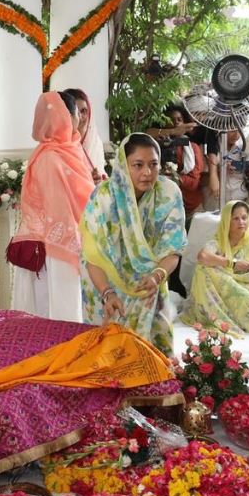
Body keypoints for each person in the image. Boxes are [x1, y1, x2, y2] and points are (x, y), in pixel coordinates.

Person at [78, 133, 186, 350]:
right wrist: (107, 292)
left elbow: (174, 248)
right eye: (138, 165)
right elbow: (93, 253)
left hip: (150, 281)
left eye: (153, 164)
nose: (147, 172)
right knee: (107, 352)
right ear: (123, 165)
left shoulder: (168, 193)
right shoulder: (104, 196)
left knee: (155, 350)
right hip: (105, 283)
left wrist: (157, 276)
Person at [8, 92, 96, 321]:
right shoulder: (50, 158)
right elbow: (59, 210)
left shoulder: (68, 150)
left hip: (69, 241)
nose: (80, 118)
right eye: (77, 112)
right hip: (55, 249)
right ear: (65, 117)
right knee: (57, 314)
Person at [180, 200, 249, 333]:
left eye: (244, 218)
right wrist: (232, 263)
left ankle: (239, 318)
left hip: (246, 289)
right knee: (202, 269)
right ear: (226, 221)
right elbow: (202, 256)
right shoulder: (220, 239)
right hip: (222, 291)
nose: (241, 222)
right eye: (235, 218)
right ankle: (217, 315)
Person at [150, 102, 207, 219]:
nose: (176, 122)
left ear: (185, 123)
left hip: (191, 208)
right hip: (165, 208)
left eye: (179, 119)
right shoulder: (155, 145)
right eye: (171, 120)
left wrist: (175, 178)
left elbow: (194, 181)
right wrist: (172, 132)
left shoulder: (193, 148)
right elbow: (147, 133)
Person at [62, 87, 107, 181]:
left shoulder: (95, 142)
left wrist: (99, 178)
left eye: (83, 111)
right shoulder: (58, 144)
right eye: (75, 112)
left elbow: (101, 173)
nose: (80, 117)